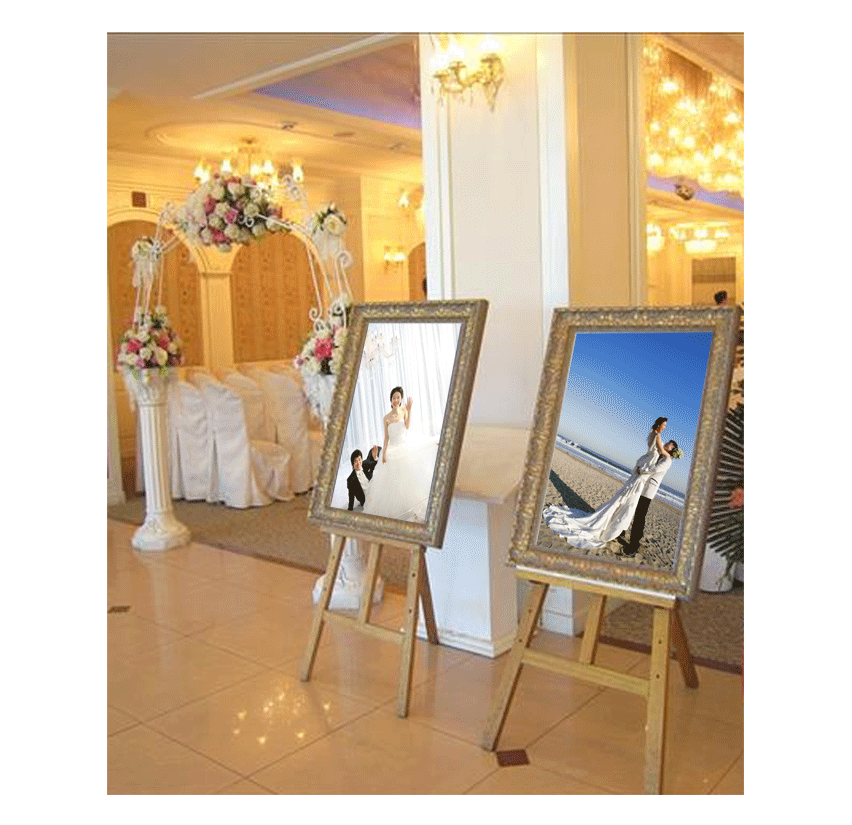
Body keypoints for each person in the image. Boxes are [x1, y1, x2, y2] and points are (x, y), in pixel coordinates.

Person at [542, 417, 675, 550]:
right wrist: (670, 456)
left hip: (641, 476)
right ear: (658, 425)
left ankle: (618, 529)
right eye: (663, 425)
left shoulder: (654, 435)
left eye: (665, 426)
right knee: (628, 504)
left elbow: (659, 455)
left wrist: (669, 456)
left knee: (626, 503)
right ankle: (617, 529)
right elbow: (661, 452)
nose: (664, 428)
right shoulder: (657, 437)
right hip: (641, 476)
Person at [363, 385, 439, 522]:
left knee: (409, 475)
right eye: (394, 398)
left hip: (404, 445)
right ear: (390, 400)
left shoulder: (404, 410)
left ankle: (411, 503)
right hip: (392, 449)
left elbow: (407, 426)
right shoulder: (386, 418)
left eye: (398, 397)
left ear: (401, 399)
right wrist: (383, 453)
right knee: (394, 481)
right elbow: (386, 437)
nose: (396, 400)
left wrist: (409, 410)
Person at [616, 439, 677, 556]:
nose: (666, 444)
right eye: (667, 442)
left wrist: (642, 471)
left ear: (672, 450)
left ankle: (634, 544)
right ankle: (622, 530)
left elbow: (655, 469)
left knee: (639, 517)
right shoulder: (659, 455)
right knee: (630, 507)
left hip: (648, 491)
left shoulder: (667, 460)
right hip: (641, 486)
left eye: (669, 444)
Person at [346, 445, 380, 510]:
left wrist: (375, 458)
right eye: (355, 461)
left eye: (359, 459)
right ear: (352, 464)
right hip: (367, 501)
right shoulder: (350, 479)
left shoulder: (365, 464)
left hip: (375, 493)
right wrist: (350, 509)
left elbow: (376, 465)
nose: (358, 463)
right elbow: (351, 497)